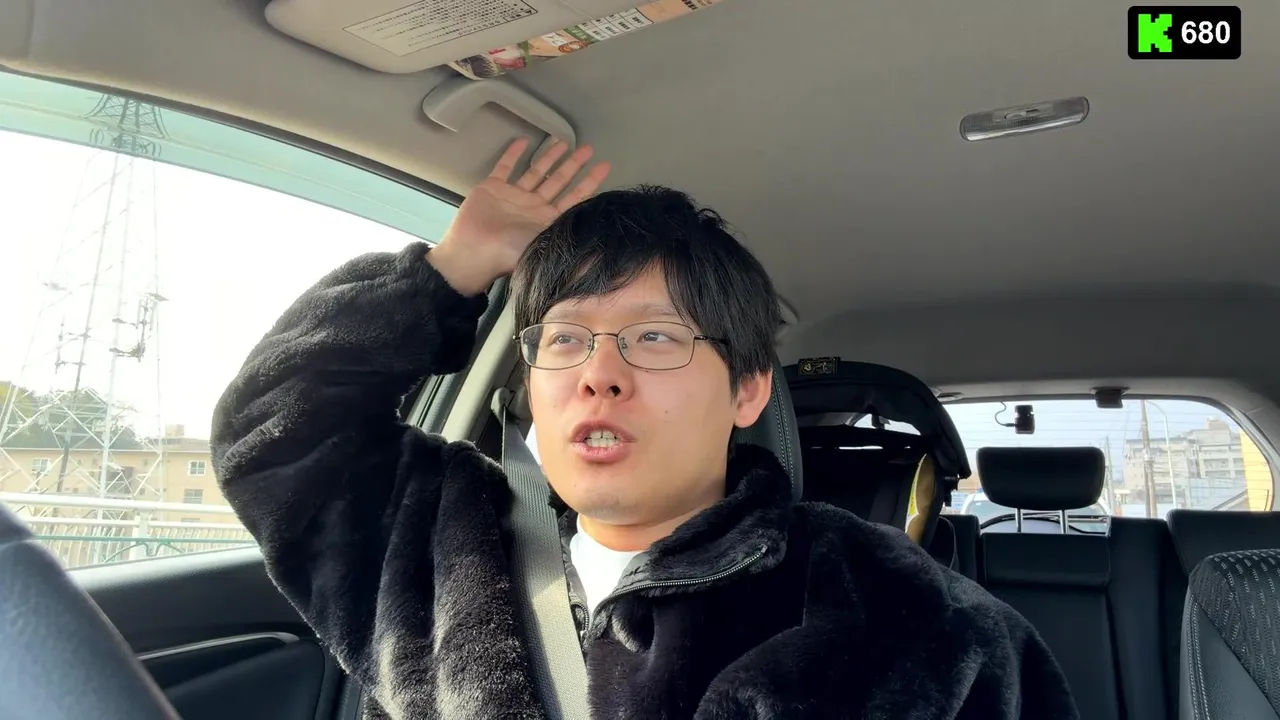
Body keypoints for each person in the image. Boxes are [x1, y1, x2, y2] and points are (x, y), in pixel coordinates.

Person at [211, 137, 1078, 719]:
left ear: (747, 390)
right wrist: (453, 266)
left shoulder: (903, 617)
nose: (599, 373)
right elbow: (270, 430)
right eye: (566, 339)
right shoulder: (433, 546)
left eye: (655, 338)